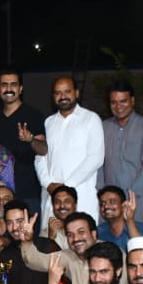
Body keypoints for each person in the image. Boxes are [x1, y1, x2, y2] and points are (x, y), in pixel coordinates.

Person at [36, 76, 104, 228]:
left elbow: (96, 158)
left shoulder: (91, 119)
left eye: (67, 91)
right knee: (51, 246)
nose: (63, 96)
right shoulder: (48, 122)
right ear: (53, 96)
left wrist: (67, 186)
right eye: (58, 93)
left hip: (81, 194)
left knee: (82, 243)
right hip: (51, 195)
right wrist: (48, 184)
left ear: (77, 93)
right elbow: (40, 156)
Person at [0, 70, 47, 217]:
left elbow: (43, 149)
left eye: (13, 85)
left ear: (20, 89)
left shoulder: (34, 115)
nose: (9, 89)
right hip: (1, 193)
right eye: (4, 85)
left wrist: (31, 139)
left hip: (28, 191)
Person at [99, 79, 143, 223]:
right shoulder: (104, 127)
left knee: (135, 241)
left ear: (132, 100)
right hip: (108, 204)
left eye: (123, 101)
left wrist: (129, 195)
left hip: (135, 200)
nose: (118, 106)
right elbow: (99, 163)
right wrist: (101, 193)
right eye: (113, 102)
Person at [95, 185, 143, 252]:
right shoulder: (99, 232)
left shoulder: (142, 229)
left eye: (112, 202)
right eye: (102, 204)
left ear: (123, 205)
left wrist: (129, 220)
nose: (106, 206)